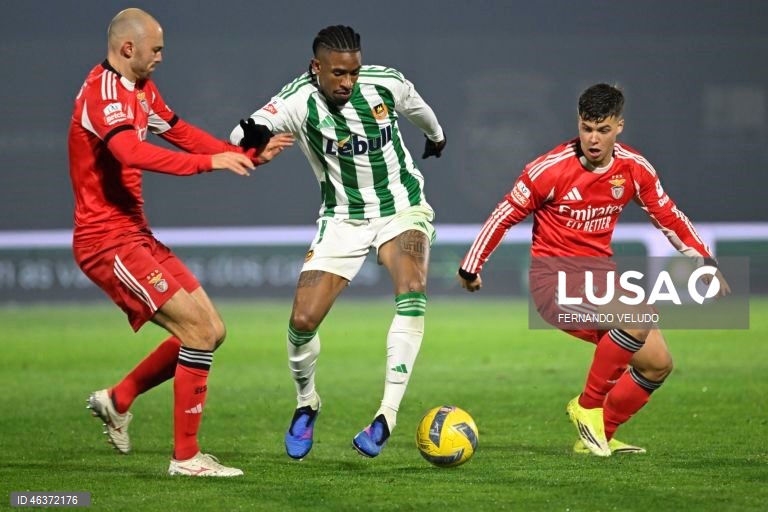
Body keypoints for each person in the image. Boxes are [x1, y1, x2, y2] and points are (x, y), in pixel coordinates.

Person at [68, 8, 293, 476]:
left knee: (212, 331)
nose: (161, 58)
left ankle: (119, 398)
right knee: (198, 333)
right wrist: (208, 166)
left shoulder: (142, 89)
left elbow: (180, 132)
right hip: (106, 240)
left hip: (134, 233)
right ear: (128, 48)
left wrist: (242, 155)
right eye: (156, 50)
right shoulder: (102, 93)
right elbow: (129, 150)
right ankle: (186, 458)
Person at [457, 83, 730, 456]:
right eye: (587, 128)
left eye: (603, 130)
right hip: (553, 282)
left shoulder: (634, 169)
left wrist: (705, 261)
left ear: (619, 126)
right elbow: (503, 216)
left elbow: (669, 217)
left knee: (657, 364)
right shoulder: (549, 170)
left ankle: (598, 436)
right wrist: (472, 266)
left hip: (599, 282)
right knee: (638, 314)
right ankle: (587, 407)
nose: (593, 138)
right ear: (578, 123)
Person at [230, 25, 446, 459]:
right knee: (303, 320)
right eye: (339, 74)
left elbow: (420, 110)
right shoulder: (298, 99)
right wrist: (252, 138)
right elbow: (244, 131)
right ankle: (306, 402)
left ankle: (387, 415)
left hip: (401, 207)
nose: (348, 82)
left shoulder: (385, 82)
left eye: (354, 72)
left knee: (412, 288)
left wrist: (437, 137)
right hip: (342, 218)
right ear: (317, 68)